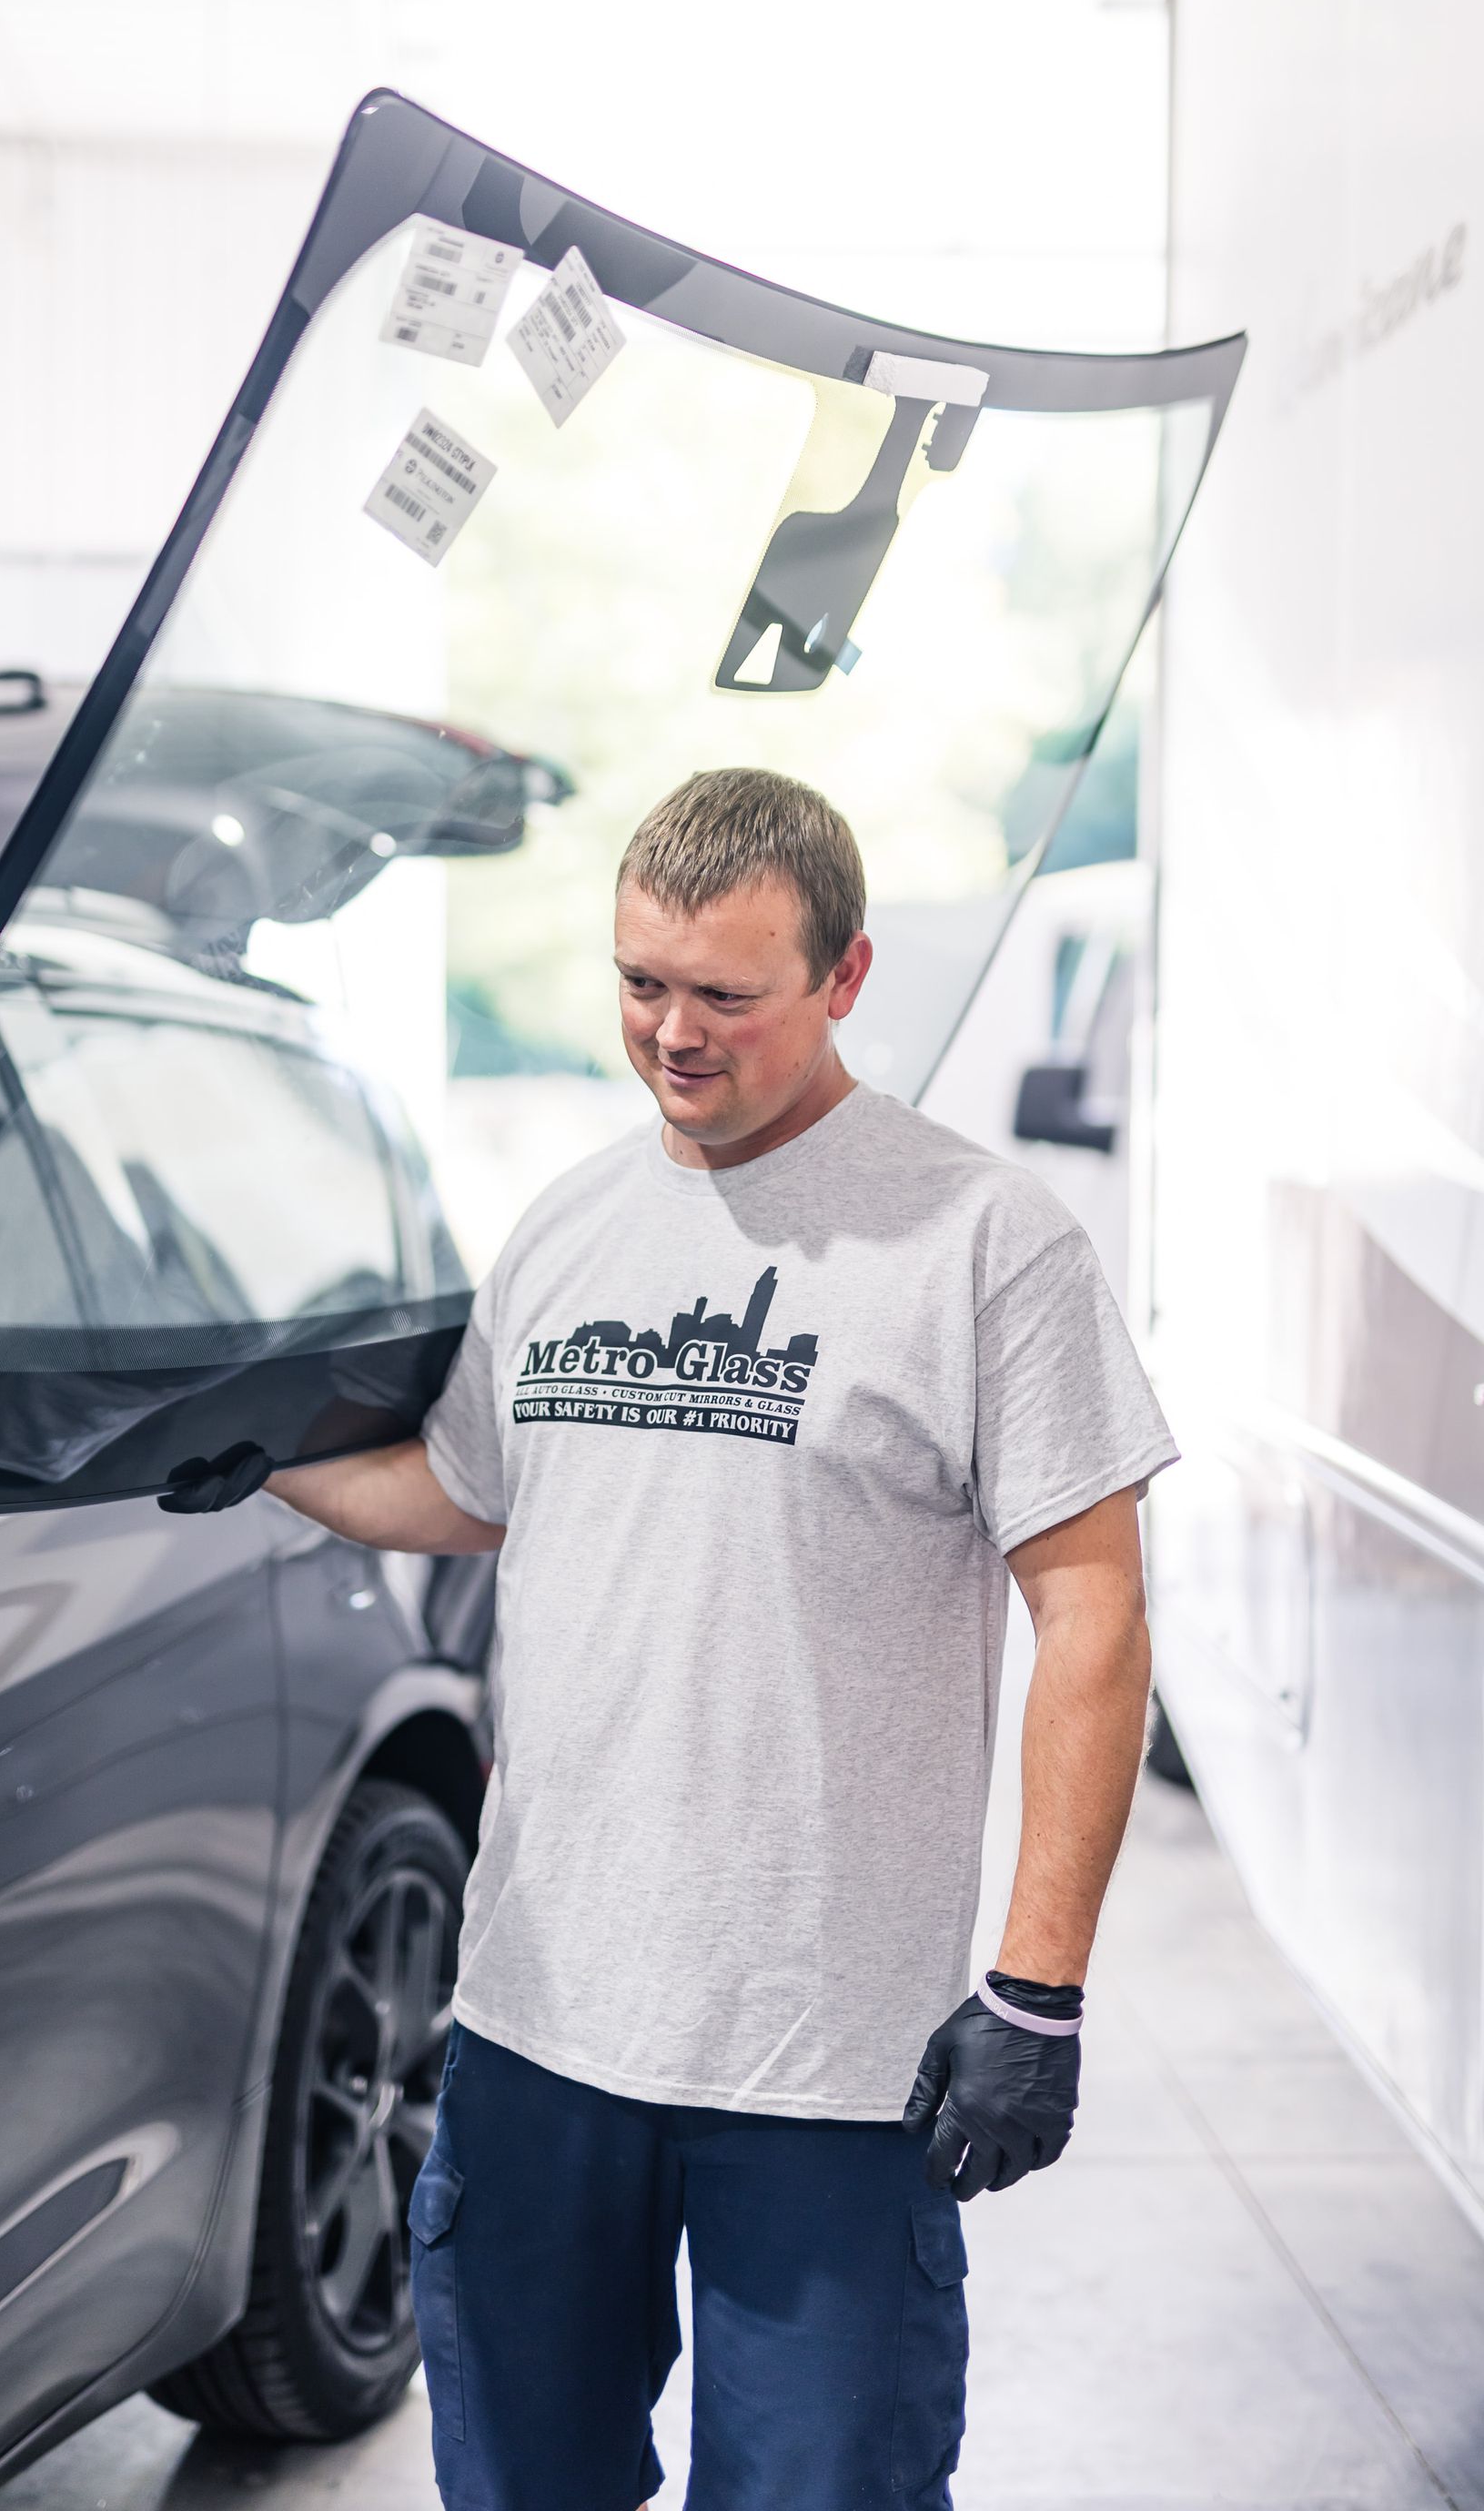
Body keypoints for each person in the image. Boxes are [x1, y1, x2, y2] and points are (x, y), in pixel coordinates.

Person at [258, 767, 1174, 2511]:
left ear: (845, 977)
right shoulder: (568, 1225)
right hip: (539, 2024)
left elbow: (1095, 1610)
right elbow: (472, 1488)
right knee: (523, 2484)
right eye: (641, 983)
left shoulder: (984, 1243)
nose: (673, 1033)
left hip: (823, 2057)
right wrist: (236, 1452)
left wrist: (1037, 1990)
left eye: (727, 995)